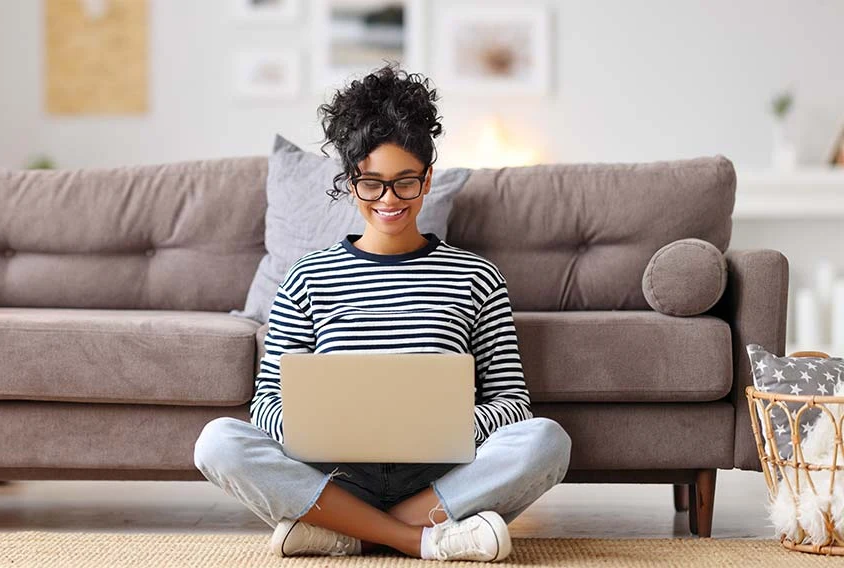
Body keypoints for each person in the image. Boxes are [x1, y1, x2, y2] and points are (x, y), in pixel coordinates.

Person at [193, 62, 571, 562]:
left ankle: (345, 532)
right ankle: (419, 539)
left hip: (441, 476)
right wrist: (318, 430)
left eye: (404, 182)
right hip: (334, 475)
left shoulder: (477, 276)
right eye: (371, 183)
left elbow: (512, 402)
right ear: (351, 183)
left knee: (545, 441)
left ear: (428, 178)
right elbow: (266, 405)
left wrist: (450, 427)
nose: (388, 199)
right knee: (218, 442)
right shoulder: (306, 278)